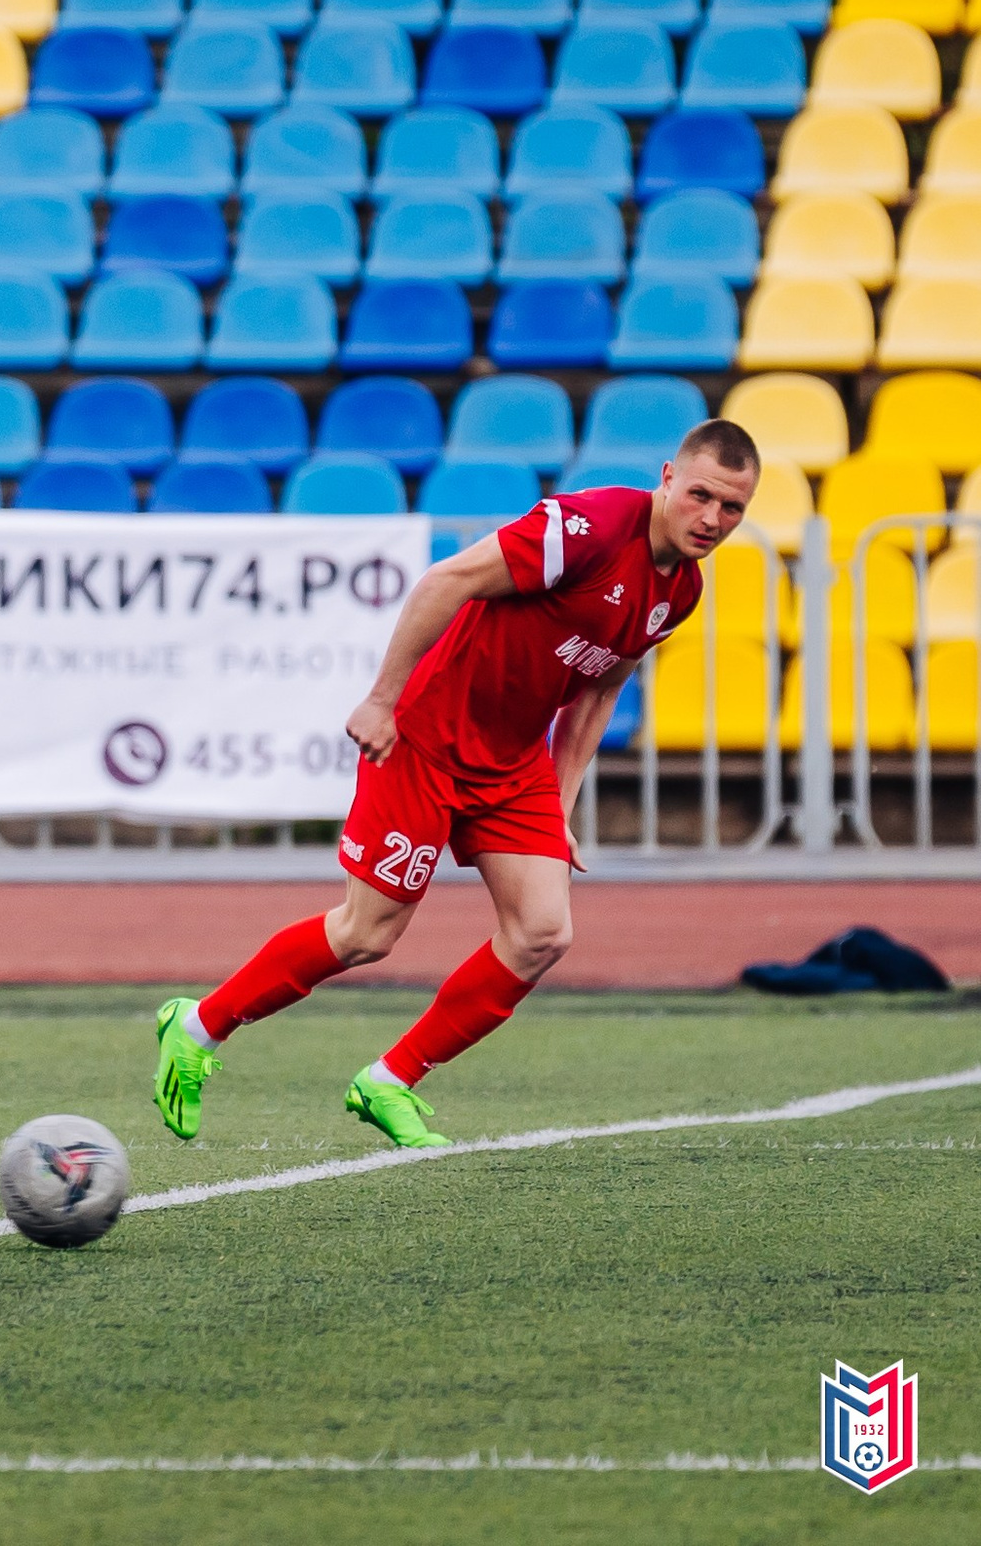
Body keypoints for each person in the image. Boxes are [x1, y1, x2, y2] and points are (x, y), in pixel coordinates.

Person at [150, 420, 763, 1148]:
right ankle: (197, 1027)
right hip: (429, 739)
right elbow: (447, 579)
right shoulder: (589, 528)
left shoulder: (680, 590)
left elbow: (599, 692)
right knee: (366, 933)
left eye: (732, 509)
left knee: (542, 931)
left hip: (511, 763)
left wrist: (559, 808)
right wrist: (382, 700)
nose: (712, 520)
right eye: (701, 496)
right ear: (668, 476)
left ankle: (390, 1080)